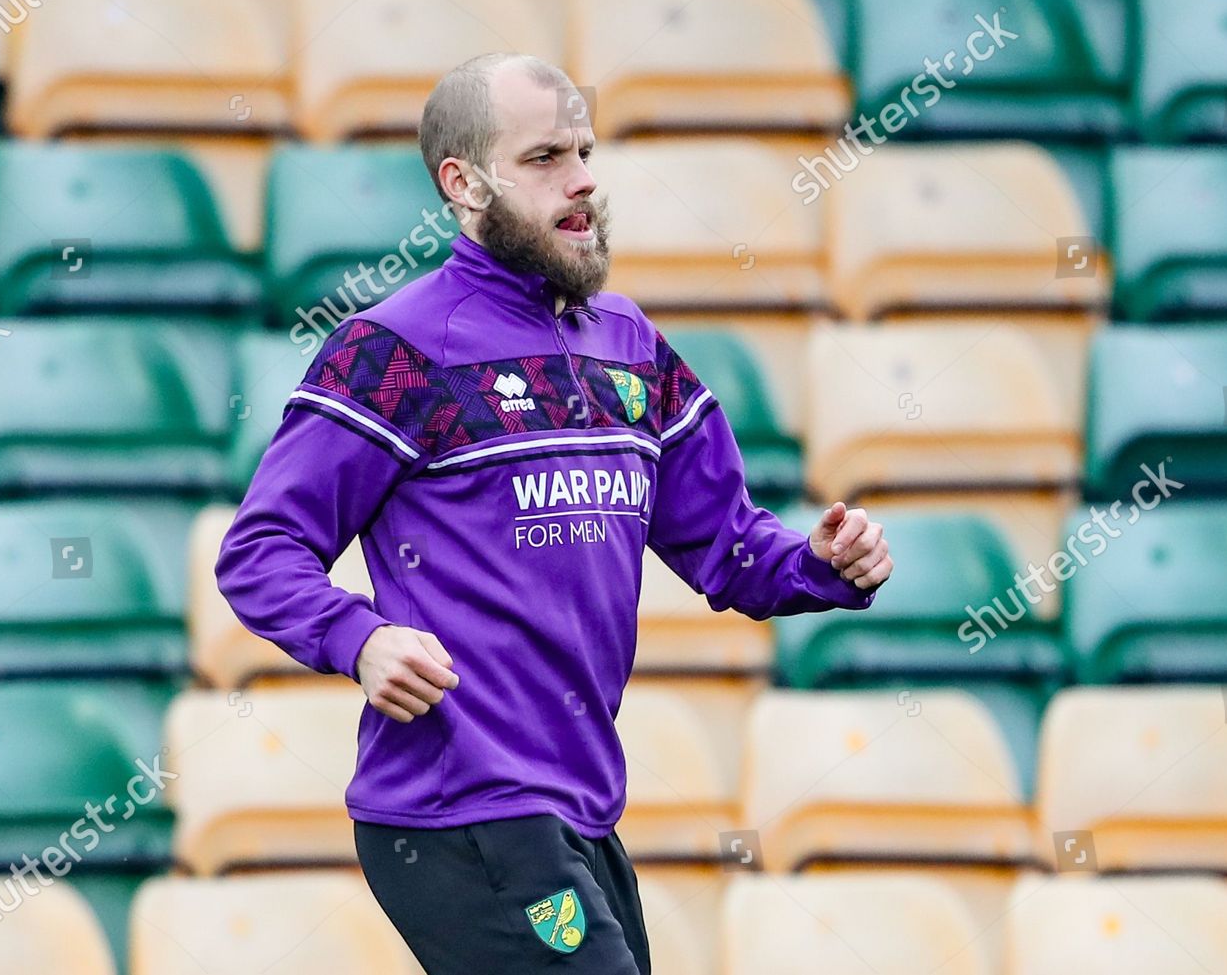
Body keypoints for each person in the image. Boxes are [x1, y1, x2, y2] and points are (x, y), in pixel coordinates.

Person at [215, 51, 892, 974]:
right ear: (464, 183)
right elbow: (261, 547)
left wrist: (820, 562)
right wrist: (360, 639)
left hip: (581, 807)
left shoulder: (630, 343)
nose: (581, 182)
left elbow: (728, 544)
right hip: (457, 809)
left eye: (583, 152)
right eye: (544, 158)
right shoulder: (392, 352)